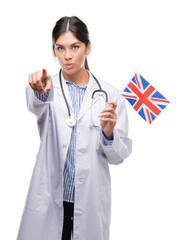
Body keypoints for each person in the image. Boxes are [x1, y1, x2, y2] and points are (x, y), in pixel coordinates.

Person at [16, 16, 132, 240]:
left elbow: (119, 157)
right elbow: (35, 103)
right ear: (54, 51)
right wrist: (38, 90)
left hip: (88, 200)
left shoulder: (109, 94)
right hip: (52, 197)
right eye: (60, 48)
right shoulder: (46, 86)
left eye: (75, 47)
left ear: (88, 47)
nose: (67, 56)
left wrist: (108, 134)